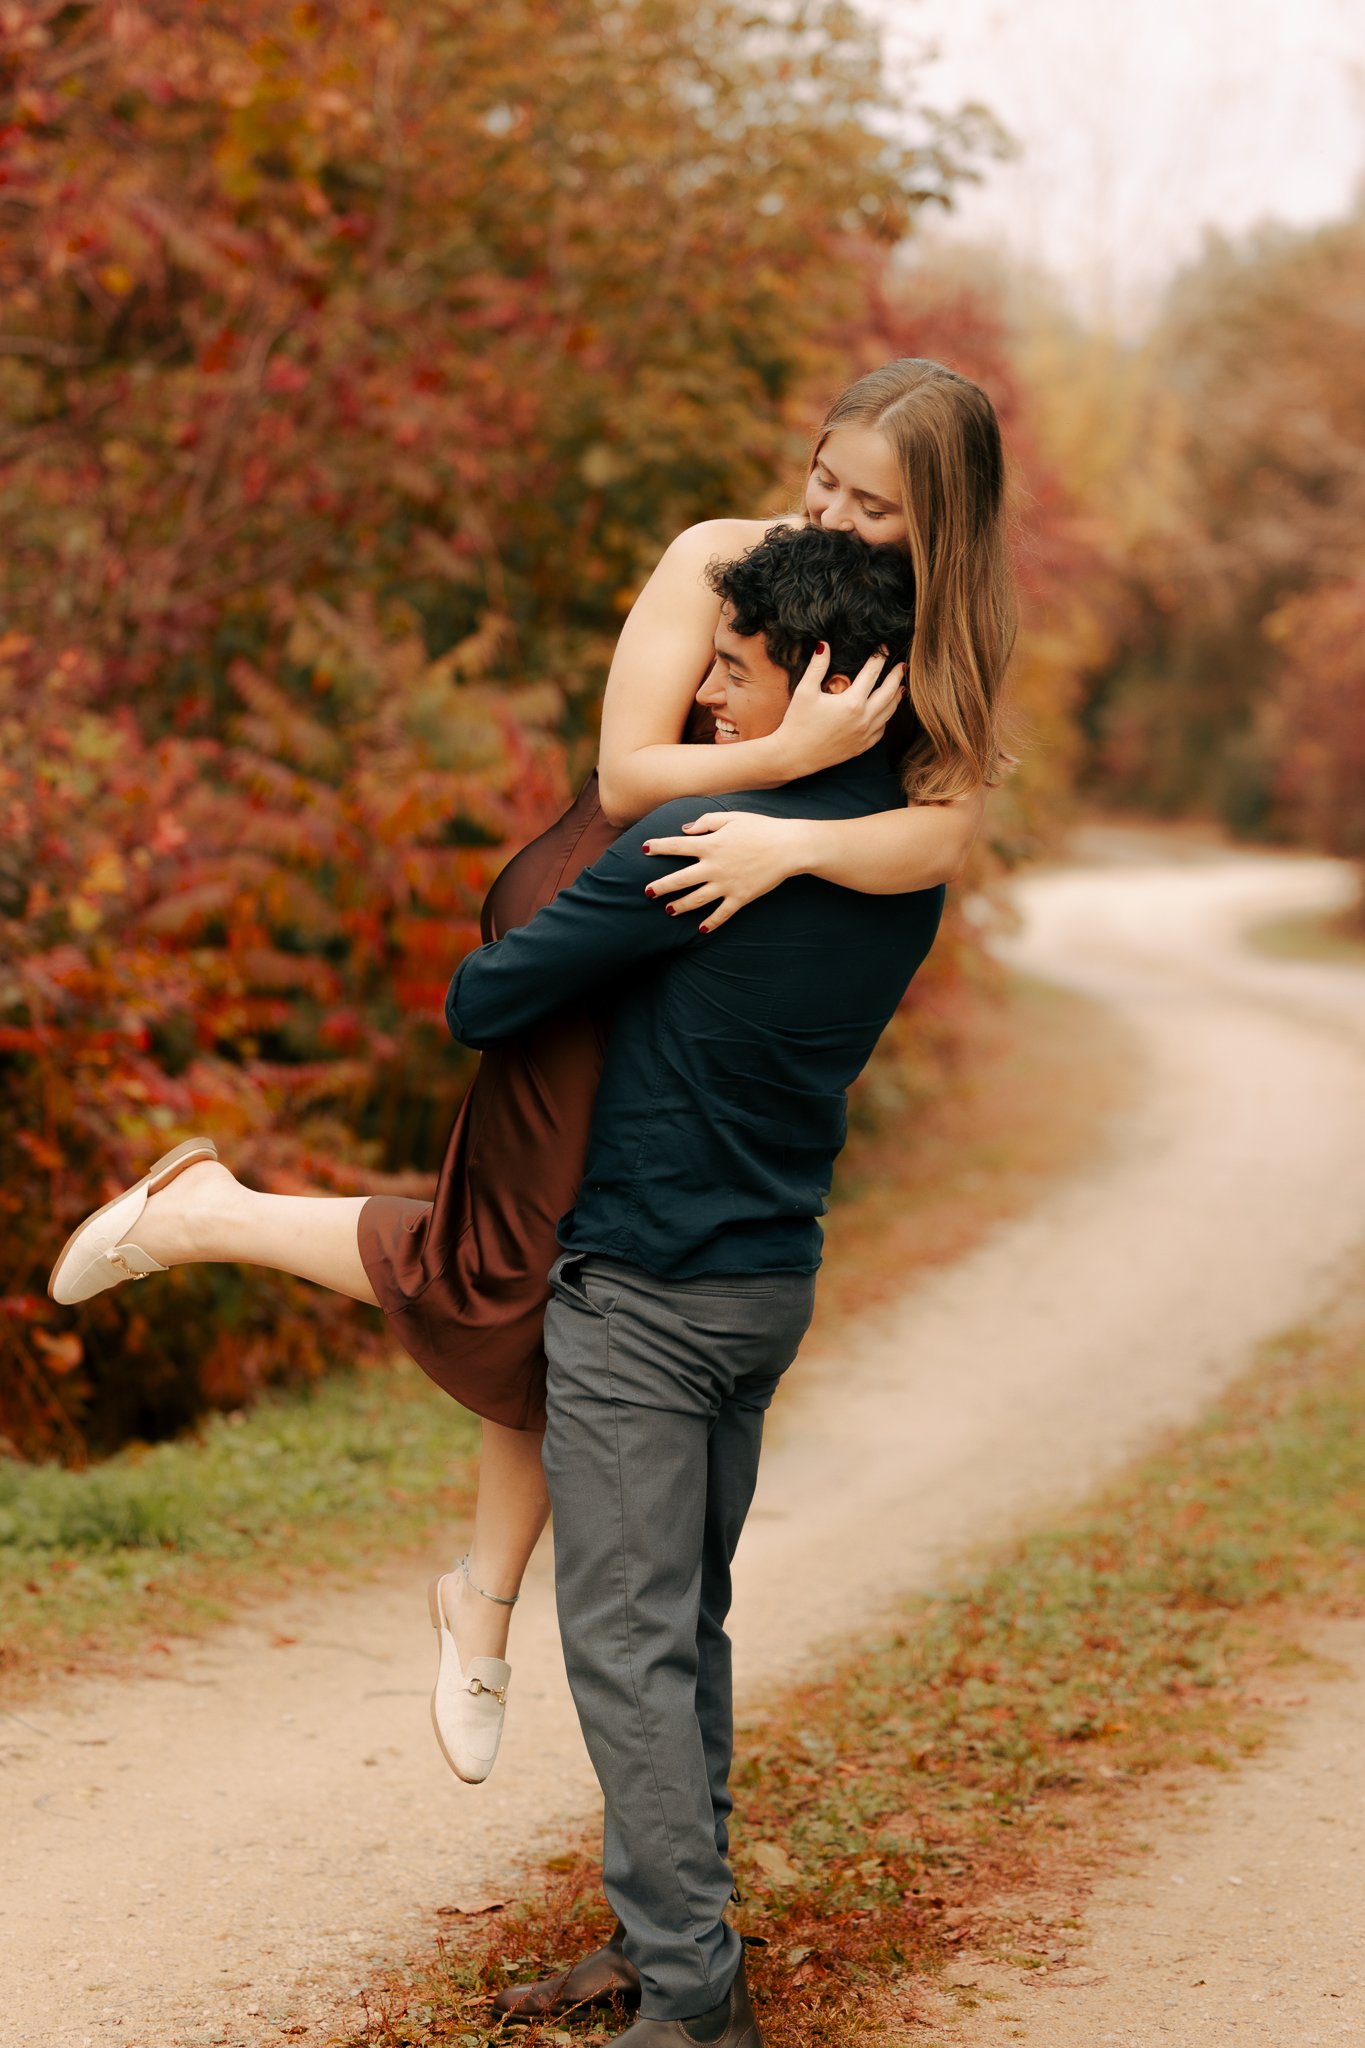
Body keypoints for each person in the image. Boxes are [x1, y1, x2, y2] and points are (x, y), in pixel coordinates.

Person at [47, 358, 1014, 1785]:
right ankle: (211, 1218)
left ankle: (480, 1603)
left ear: (942, 522)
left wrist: (794, 842)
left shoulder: (943, 638)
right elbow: (627, 773)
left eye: (872, 506)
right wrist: (785, 765)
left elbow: (938, 838)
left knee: (560, 1270)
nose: (828, 515)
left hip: (710, 906)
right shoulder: (723, 558)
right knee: (512, 1262)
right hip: (613, 887)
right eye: (823, 478)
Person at [453, 523, 948, 2047]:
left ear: (813, 681)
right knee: (686, 1627)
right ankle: (653, 1943)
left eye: (732, 674)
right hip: (763, 1283)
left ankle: (689, 2002)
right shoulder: (898, 860)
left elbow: (485, 994)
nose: (705, 705)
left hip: (648, 1294)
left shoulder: (696, 849)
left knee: (622, 1642)